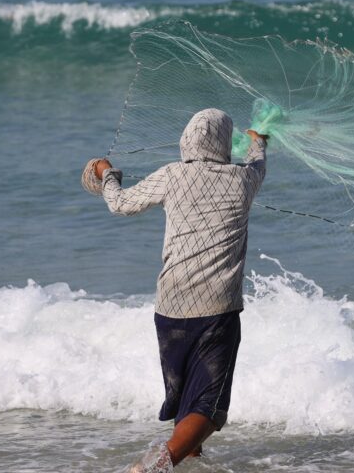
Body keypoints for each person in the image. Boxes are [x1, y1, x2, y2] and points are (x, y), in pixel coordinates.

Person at [86, 108, 268, 472]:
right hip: (217, 307)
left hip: (169, 306)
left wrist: (106, 174)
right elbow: (258, 162)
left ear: (186, 141)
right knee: (208, 407)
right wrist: (258, 139)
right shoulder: (243, 179)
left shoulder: (172, 174)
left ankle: (191, 461)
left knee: (186, 397)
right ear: (222, 144)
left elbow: (120, 204)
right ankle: (154, 465)